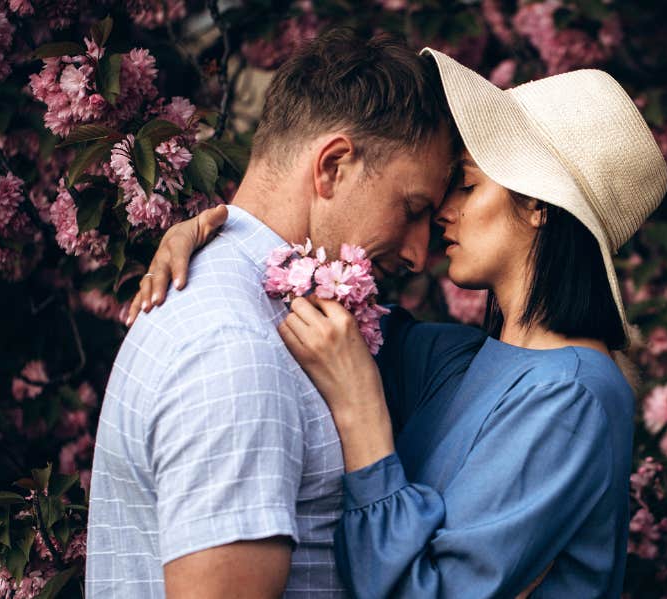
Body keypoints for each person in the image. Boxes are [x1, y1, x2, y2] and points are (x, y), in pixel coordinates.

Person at [129, 48, 667, 597]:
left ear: (537, 207)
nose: (442, 213)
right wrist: (221, 238)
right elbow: (328, 308)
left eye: (468, 185)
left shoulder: (573, 396)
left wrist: (363, 417)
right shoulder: (454, 360)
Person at [86, 29, 455, 598]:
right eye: (410, 210)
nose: (415, 252)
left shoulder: (261, 311)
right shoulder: (236, 354)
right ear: (332, 166)